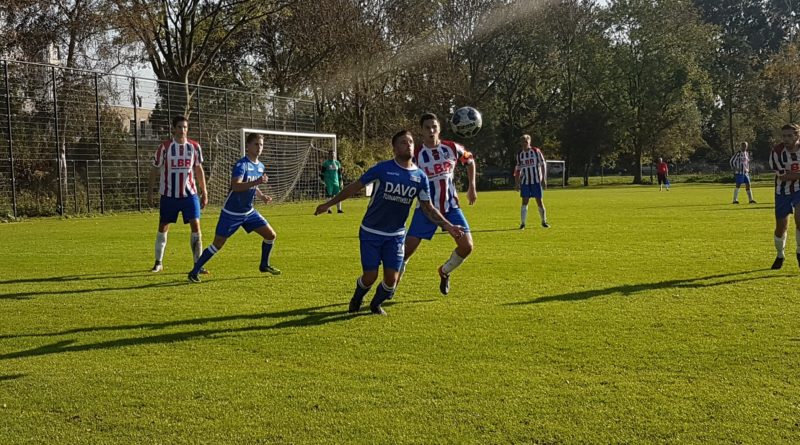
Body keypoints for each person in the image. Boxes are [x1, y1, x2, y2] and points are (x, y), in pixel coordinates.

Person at [314, 130, 464, 315]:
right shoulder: (382, 169)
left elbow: (428, 207)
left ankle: (375, 305)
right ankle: (357, 297)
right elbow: (354, 187)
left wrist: (448, 226)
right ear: (394, 148)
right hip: (371, 231)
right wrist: (328, 204)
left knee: (391, 280)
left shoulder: (420, 177)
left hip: (396, 236)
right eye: (402, 142)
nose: (408, 145)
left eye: (410, 142)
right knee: (370, 277)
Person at [397, 113, 477, 296]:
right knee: (406, 252)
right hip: (426, 211)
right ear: (421, 131)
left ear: (439, 128)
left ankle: (445, 271)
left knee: (467, 247)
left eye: (434, 126)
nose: (431, 130)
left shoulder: (451, 147)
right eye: (427, 127)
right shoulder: (416, 154)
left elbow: (470, 161)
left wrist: (472, 186)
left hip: (451, 208)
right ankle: (389, 289)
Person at [188, 133, 280, 282]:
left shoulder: (260, 166)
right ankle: (194, 271)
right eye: (256, 144)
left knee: (270, 235)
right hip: (231, 213)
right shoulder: (241, 165)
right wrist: (256, 181)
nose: (259, 148)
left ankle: (264, 265)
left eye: (261, 145)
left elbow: (253, 186)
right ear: (248, 146)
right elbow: (236, 186)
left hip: (249, 212)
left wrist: (261, 196)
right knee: (218, 244)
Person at [148, 115, 208, 273]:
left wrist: (204, 191)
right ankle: (158, 262)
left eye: (185, 127)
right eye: (180, 127)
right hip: (169, 195)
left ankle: (198, 264)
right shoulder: (165, 147)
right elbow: (154, 169)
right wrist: (150, 191)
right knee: (163, 226)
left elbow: (198, 170)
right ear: (174, 129)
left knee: (196, 225)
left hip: (190, 195)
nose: (183, 130)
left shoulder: (194, 147)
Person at [768, 124, 800, 270]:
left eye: (789, 136)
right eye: (784, 136)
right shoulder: (777, 152)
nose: (786, 139)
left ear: (797, 136)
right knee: (781, 228)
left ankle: (799, 252)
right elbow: (784, 177)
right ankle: (780, 255)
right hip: (782, 192)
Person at [514, 134, 550, 229]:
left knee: (539, 201)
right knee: (524, 202)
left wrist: (543, 179)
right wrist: (517, 183)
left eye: (526, 141)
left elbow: (543, 164)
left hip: (536, 181)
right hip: (525, 182)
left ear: (529, 141)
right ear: (521, 143)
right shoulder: (519, 155)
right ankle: (522, 224)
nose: (524, 144)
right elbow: (517, 169)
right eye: (523, 142)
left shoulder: (535, 151)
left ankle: (544, 221)